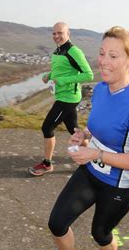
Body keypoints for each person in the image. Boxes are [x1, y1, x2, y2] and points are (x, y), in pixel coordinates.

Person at [42, 26, 129, 250]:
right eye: (102, 53)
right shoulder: (102, 89)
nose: (103, 60)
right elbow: (96, 126)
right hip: (92, 171)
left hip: (118, 184)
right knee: (57, 222)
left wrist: (95, 152)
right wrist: (82, 135)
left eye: (113, 56)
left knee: (100, 233)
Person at [28, 22, 93, 176]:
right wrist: (49, 75)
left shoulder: (74, 51)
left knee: (47, 127)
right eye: (54, 33)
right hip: (62, 95)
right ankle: (90, 157)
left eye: (60, 33)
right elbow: (60, 69)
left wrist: (63, 81)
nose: (56, 36)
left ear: (68, 33)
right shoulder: (58, 50)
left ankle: (47, 164)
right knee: (73, 129)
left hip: (68, 98)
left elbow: (88, 74)